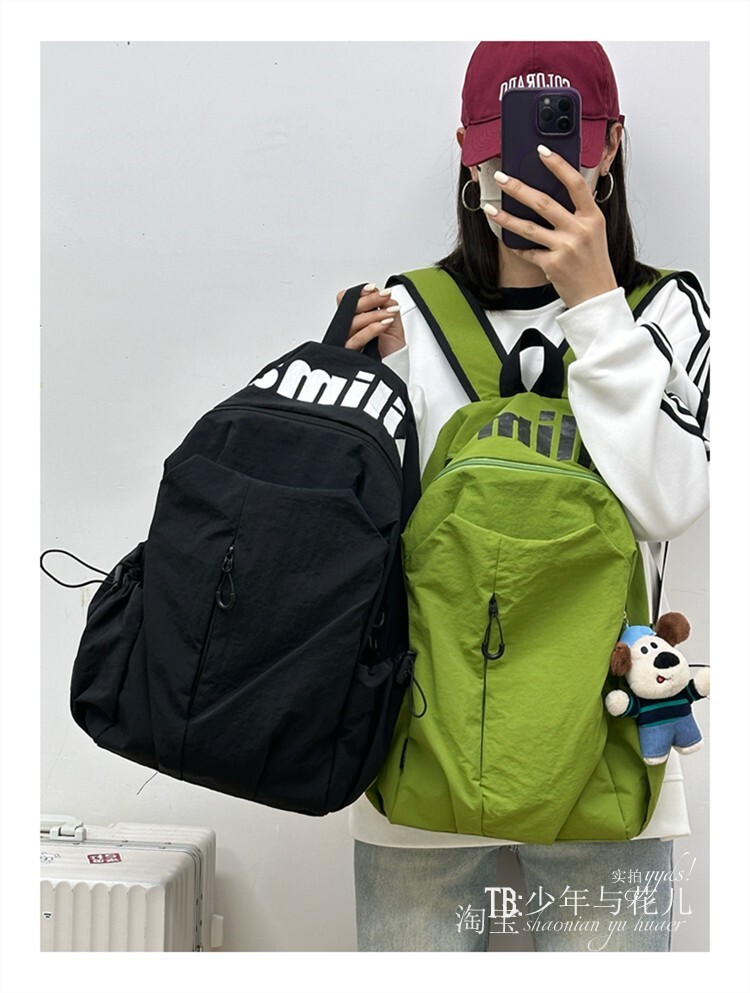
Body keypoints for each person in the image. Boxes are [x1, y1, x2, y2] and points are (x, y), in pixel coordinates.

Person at [339, 42, 710, 952]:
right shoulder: (403, 314)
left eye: (562, 147)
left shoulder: (664, 311)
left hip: (609, 749)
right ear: (468, 155)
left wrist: (596, 308)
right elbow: (361, 541)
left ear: (609, 145)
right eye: (507, 153)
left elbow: (669, 502)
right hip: (416, 751)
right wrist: (336, 394)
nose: (533, 175)